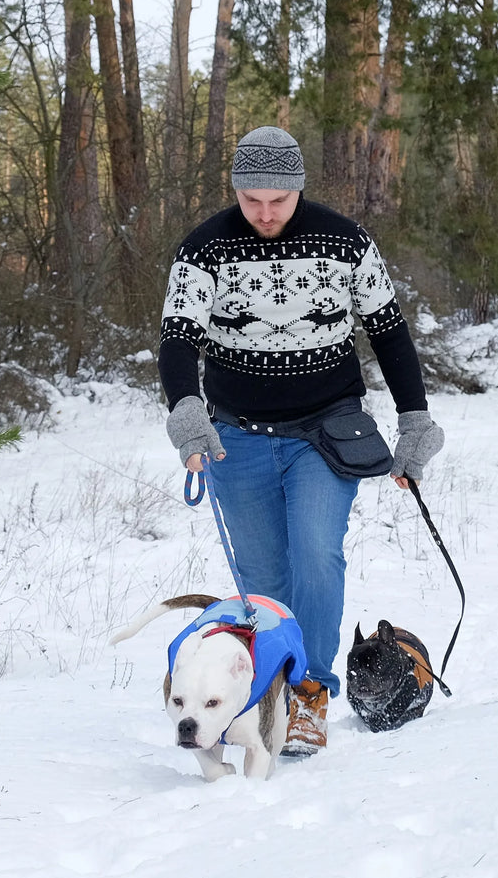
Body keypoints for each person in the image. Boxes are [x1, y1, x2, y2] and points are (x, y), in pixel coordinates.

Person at [158, 125, 444, 756]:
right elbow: (178, 339)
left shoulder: (345, 241)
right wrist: (186, 414)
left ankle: (312, 694)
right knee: (263, 579)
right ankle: (271, 694)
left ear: (298, 189)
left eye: (277, 201)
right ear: (235, 189)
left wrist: (415, 419)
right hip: (237, 437)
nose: (264, 213)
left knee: (318, 554)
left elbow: (389, 333)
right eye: (251, 199)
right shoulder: (203, 249)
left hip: (327, 431)